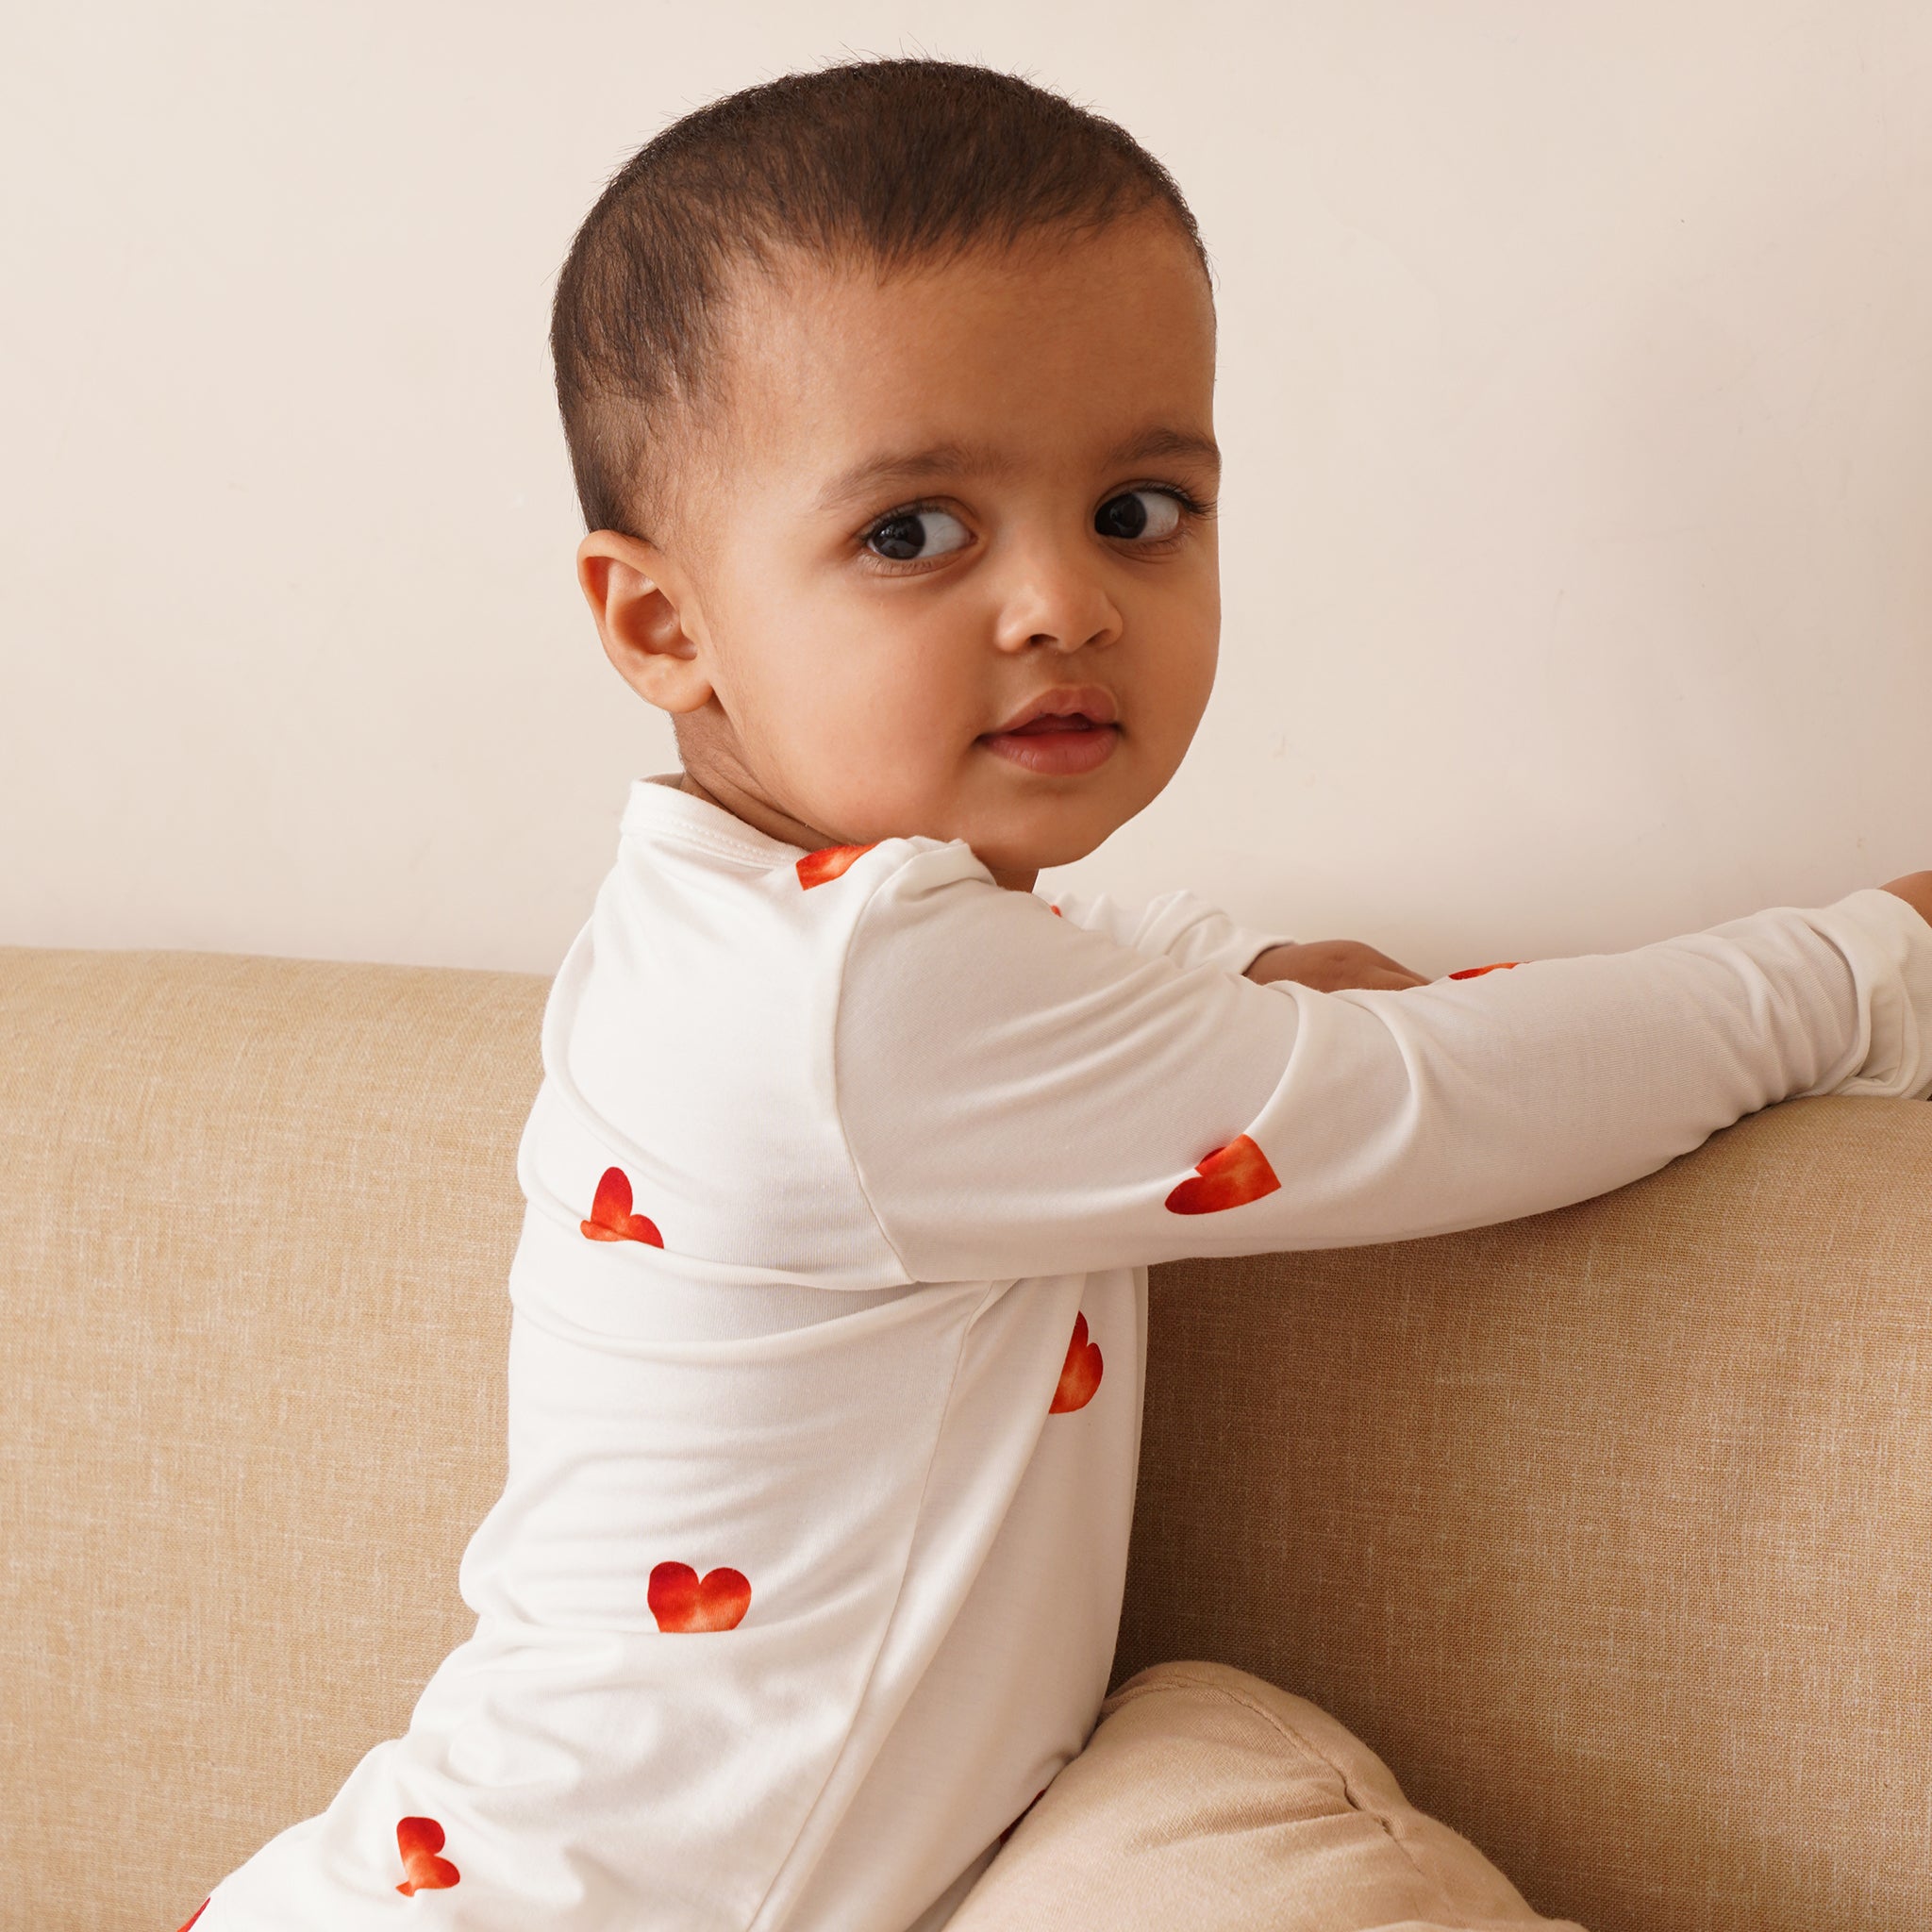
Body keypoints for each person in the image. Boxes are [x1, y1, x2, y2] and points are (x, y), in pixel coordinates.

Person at [182, 56, 1932, 1932]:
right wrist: (1865, 959)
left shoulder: (769, 937)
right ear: (662, 624)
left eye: (1138, 506)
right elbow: (1442, 1095)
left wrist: (1240, 977)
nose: (1064, 604)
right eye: (914, 532)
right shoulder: (858, 1004)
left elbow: (1134, 1001)